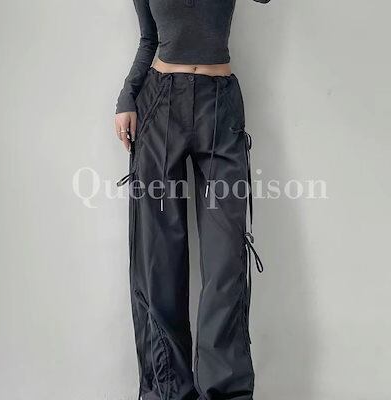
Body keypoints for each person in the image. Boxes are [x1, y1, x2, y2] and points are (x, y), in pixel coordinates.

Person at [114, 1, 270, 399]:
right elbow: (149, 38)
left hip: (220, 105)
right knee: (159, 258)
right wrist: (127, 97)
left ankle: (225, 392)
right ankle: (169, 391)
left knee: (226, 259)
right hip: (159, 102)